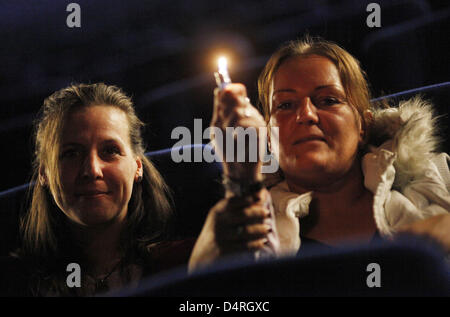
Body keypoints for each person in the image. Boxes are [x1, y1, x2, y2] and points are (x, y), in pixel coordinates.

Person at [188, 37, 450, 271]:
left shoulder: (436, 177)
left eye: (328, 100)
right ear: (268, 136)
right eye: (286, 105)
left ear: (363, 125)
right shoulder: (240, 222)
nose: (306, 115)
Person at [1, 83, 193, 296]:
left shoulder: (189, 263)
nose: (92, 170)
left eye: (110, 151)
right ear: (44, 173)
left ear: (137, 167)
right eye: (71, 153)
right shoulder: (11, 283)